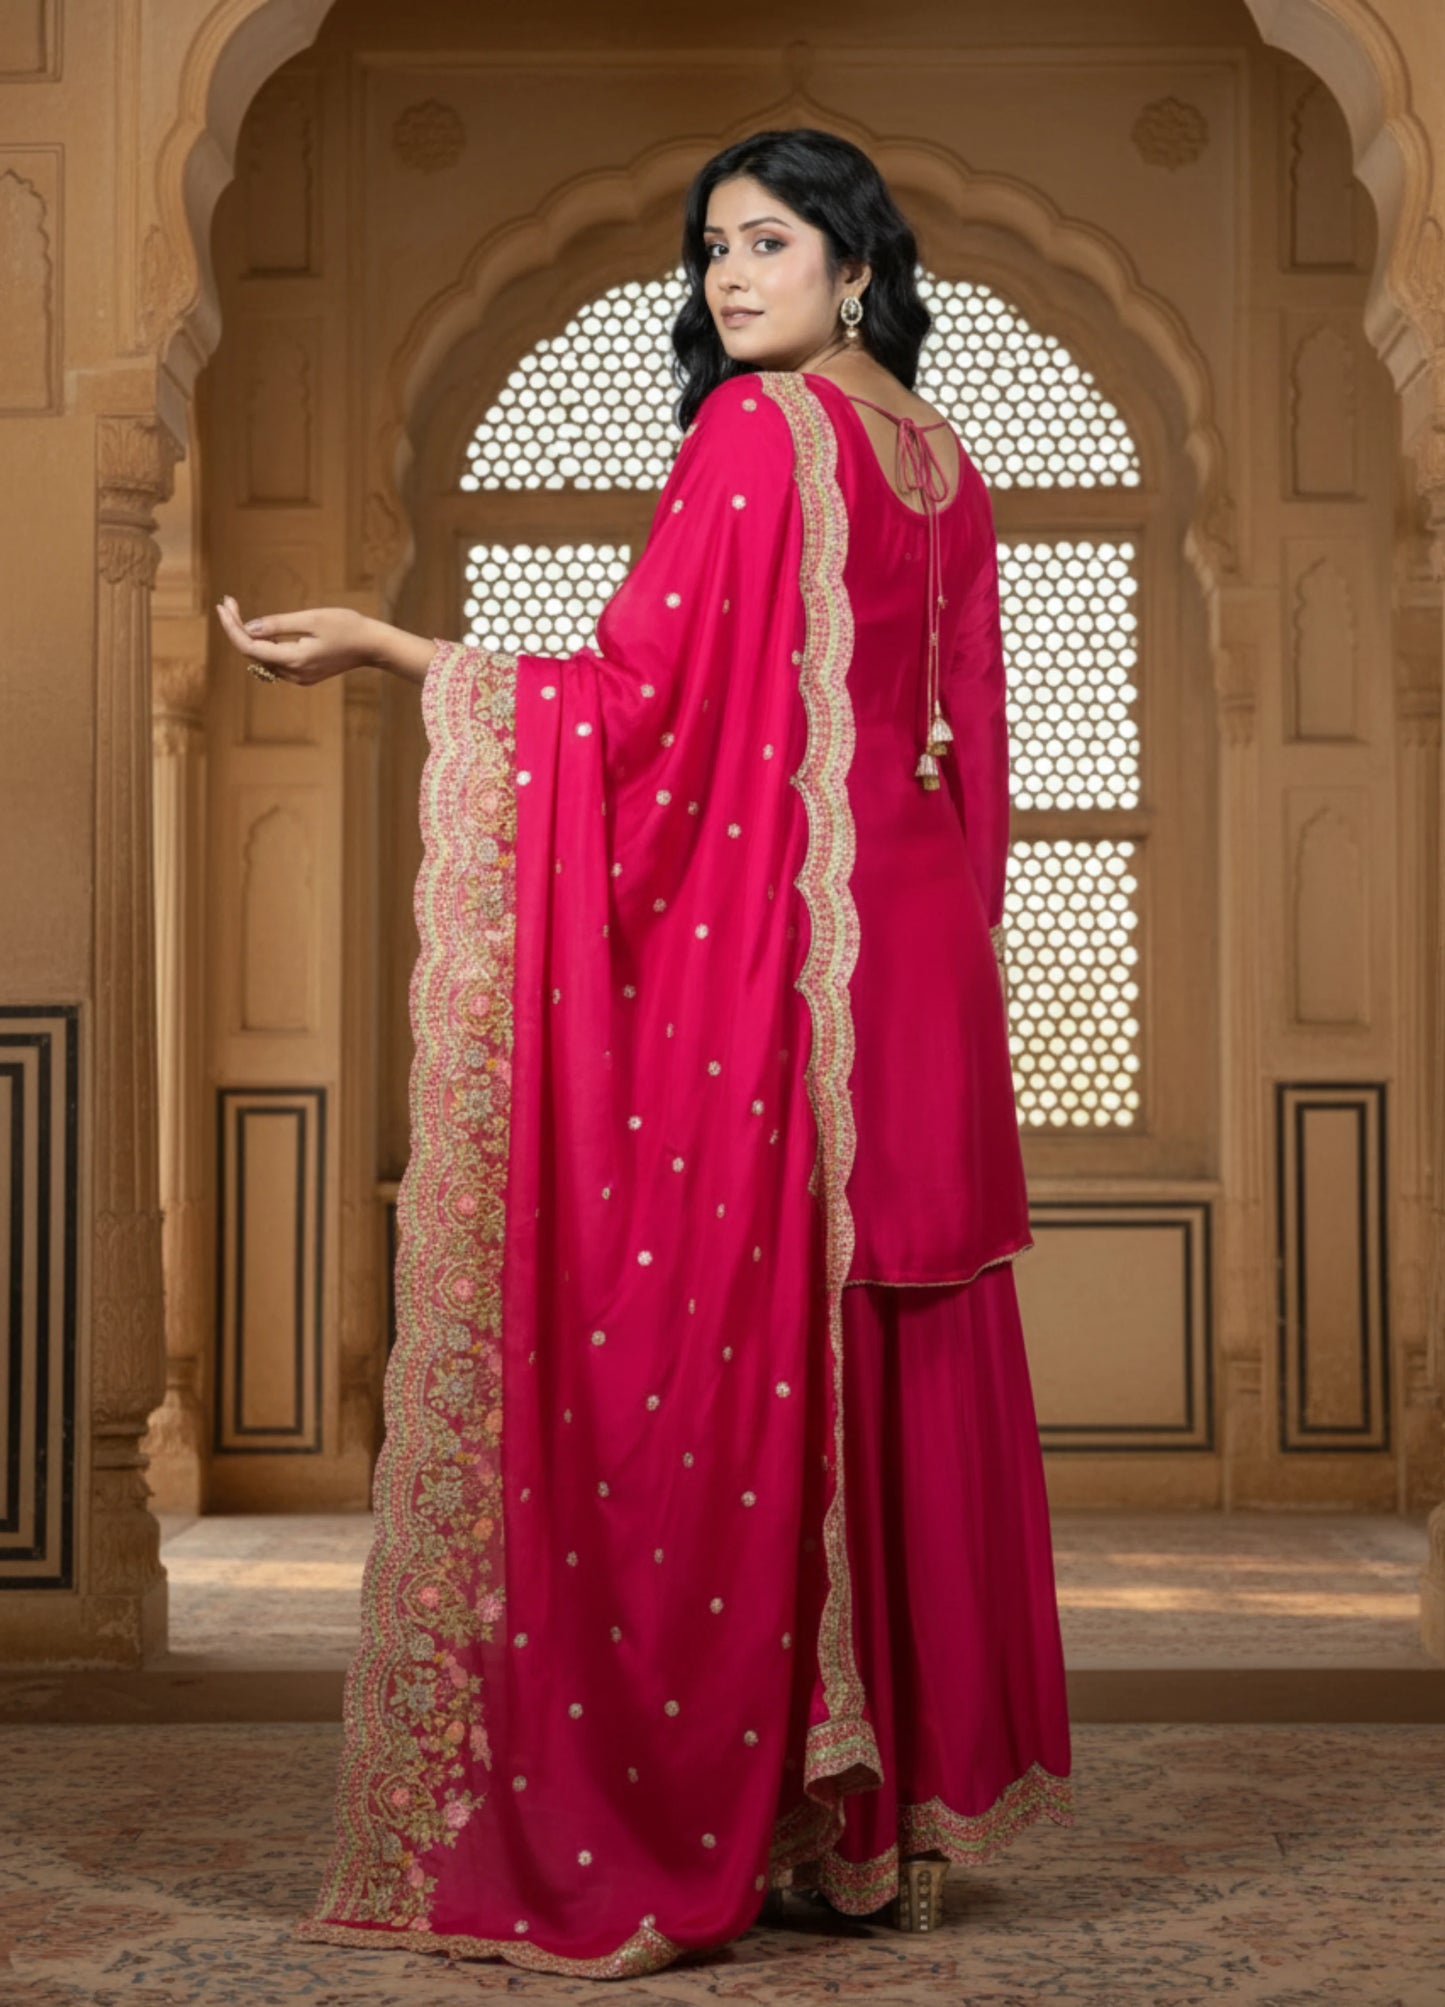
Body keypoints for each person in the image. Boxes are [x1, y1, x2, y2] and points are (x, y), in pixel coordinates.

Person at [219, 126, 1072, 1983]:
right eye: (710, 251)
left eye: (768, 243)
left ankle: (765, 1808)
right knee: (887, 1356)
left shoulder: (757, 443)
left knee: (743, 1361)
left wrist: (395, 652)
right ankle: (885, 1831)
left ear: (857, 263)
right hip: (920, 973)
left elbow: (629, 708)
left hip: (788, 975)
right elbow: (972, 771)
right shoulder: (946, 465)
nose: (727, 279)